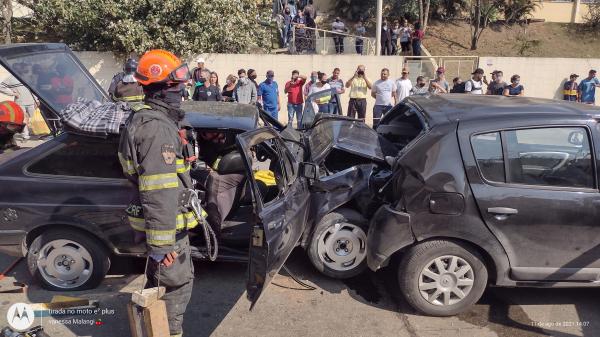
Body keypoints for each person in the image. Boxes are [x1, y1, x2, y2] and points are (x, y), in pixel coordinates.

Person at [118, 49, 195, 337]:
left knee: (159, 282)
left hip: (161, 226)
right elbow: (159, 190)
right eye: (176, 86)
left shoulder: (148, 119)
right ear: (161, 89)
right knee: (175, 286)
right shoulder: (156, 129)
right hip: (167, 230)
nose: (181, 91)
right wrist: (162, 245)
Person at [0, 63, 36, 140]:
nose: (26, 70)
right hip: (20, 102)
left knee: (31, 117)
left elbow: (33, 89)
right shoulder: (11, 78)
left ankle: (31, 131)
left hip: (31, 101)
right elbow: (1, 86)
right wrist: (13, 93)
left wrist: (36, 100)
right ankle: (25, 135)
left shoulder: (28, 77)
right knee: (23, 119)